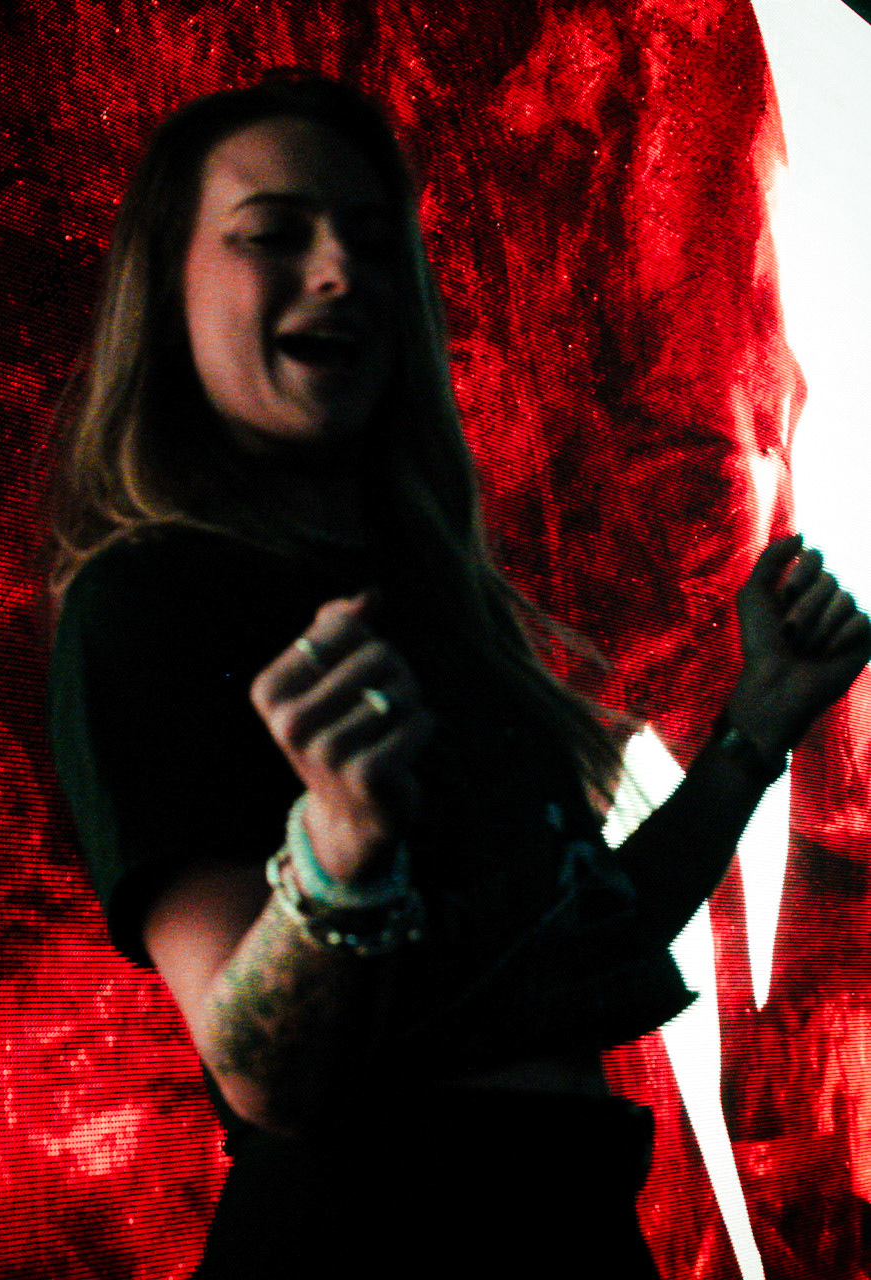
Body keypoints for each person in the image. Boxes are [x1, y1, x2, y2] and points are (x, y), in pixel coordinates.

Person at [46, 74, 870, 1279]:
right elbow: (261, 1072)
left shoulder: (436, 601)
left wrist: (755, 729)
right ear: (167, 288)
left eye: (372, 241)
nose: (338, 270)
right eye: (272, 233)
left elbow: (575, 941)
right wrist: (338, 851)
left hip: (571, 1221)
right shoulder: (150, 599)